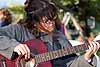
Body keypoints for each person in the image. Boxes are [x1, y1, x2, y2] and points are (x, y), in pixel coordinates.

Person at [0, 0, 99, 67]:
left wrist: (87, 57)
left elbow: (70, 63)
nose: (52, 23)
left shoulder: (59, 38)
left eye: (53, 18)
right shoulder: (19, 30)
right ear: (34, 22)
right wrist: (14, 46)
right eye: (47, 21)